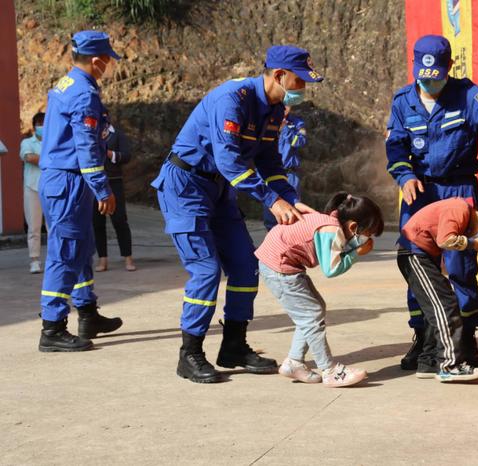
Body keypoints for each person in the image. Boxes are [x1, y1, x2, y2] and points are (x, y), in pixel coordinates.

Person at [151, 45, 323, 383]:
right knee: (206, 271)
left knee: (246, 265)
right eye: (299, 81)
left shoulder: (274, 111)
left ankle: (233, 345)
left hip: (219, 190)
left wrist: (289, 197)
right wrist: (272, 201)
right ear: (279, 76)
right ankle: (190, 353)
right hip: (186, 185)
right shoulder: (233, 99)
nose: (303, 89)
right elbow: (231, 162)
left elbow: (270, 163)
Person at [385, 34, 478, 371]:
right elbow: (395, 146)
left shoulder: (468, 95)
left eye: (436, 77)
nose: (429, 84)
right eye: (423, 78)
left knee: (460, 267)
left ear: (449, 68)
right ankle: (424, 338)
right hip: (419, 192)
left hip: (458, 189)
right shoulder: (402, 101)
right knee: (418, 266)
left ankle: (466, 337)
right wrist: (404, 176)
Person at [37, 31, 123, 352]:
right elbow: (86, 146)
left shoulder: (66, 84)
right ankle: (52, 327)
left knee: (81, 246)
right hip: (69, 180)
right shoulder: (84, 94)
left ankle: (87, 313)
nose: (109, 66)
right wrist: (102, 189)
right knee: (65, 251)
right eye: (108, 61)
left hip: (65, 179)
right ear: (97, 60)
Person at [256, 192, 383, 387]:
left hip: (282, 265)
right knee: (310, 315)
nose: (368, 239)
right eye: (368, 234)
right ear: (353, 227)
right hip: (279, 267)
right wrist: (356, 252)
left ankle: (294, 362)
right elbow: (331, 269)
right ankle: (329, 370)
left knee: (313, 311)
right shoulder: (330, 230)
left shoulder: (330, 223)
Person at [397, 198, 478, 382]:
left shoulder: (463, 216)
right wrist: (472, 244)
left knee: (434, 309)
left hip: (422, 256)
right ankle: (450, 365)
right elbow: (445, 240)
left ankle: (429, 362)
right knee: (446, 306)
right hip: (414, 254)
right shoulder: (459, 208)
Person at [92, 116, 136, 272]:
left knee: (119, 220)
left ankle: (128, 259)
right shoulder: (90, 134)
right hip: (95, 184)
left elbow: (127, 156)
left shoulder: (118, 135)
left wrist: (110, 154)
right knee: (97, 223)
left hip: (114, 181)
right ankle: (102, 260)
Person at [262, 106, 307, 230]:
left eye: (288, 105)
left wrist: (285, 129)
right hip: (271, 172)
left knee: (293, 206)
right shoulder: (267, 120)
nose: (285, 108)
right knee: (271, 207)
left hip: (290, 174)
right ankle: (272, 237)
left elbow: (300, 141)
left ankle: (291, 239)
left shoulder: (297, 123)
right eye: (282, 104)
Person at [20, 112, 45, 274]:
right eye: (39, 124)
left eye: (45, 123)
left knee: (54, 226)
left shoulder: (54, 142)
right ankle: (34, 260)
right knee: (34, 227)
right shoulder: (27, 142)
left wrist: (40, 158)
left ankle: (55, 259)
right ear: (34, 126)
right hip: (32, 188)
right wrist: (49, 159)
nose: (42, 126)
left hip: (51, 188)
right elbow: (29, 157)